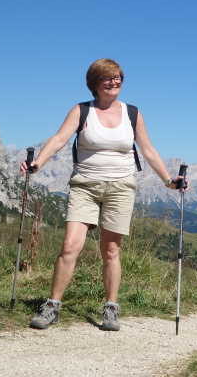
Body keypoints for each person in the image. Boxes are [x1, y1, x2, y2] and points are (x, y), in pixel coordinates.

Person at [21, 58, 185, 331]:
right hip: (84, 185)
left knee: (110, 250)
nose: (115, 82)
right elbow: (60, 138)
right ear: (95, 83)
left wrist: (169, 181)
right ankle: (52, 306)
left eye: (118, 77)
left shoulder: (132, 113)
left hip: (121, 187)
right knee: (70, 246)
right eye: (108, 78)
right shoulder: (81, 110)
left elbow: (148, 150)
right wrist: (38, 163)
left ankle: (110, 309)